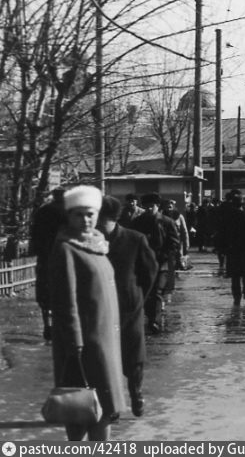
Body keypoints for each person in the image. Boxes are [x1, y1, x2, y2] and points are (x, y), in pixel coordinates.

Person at [48, 185, 126, 441]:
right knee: (82, 408)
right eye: (79, 214)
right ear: (69, 216)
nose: (85, 219)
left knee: (104, 408)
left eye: (90, 213)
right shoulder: (66, 248)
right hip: (84, 344)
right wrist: (74, 343)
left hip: (105, 340)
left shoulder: (98, 245)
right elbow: (65, 301)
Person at [97, 195, 157, 418]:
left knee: (133, 357)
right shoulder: (90, 241)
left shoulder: (135, 239)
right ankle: (110, 403)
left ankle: (136, 392)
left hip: (128, 308)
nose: (97, 225)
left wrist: (138, 296)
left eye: (101, 219)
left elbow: (149, 271)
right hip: (100, 309)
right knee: (104, 358)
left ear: (113, 219)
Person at [125, 193, 180, 334]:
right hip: (142, 263)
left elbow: (174, 242)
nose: (149, 209)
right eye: (147, 206)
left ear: (158, 206)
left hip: (161, 263)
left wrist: (166, 255)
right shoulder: (137, 222)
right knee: (145, 291)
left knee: (157, 291)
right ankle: (149, 316)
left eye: (152, 206)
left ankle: (153, 321)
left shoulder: (167, 222)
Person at [29, 189, 65, 341]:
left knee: (45, 293)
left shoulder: (42, 211)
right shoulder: (68, 212)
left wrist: (35, 250)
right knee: (63, 292)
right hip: (63, 256)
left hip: (45, 257)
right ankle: (59, 325)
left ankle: (47, 324)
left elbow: (35, 233)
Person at [221, 192, 245, 304]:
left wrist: (222, 248)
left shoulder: (228, 215)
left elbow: (223, 232)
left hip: (232, 250)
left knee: (235, 275)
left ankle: (236, 297)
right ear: (242, 204)